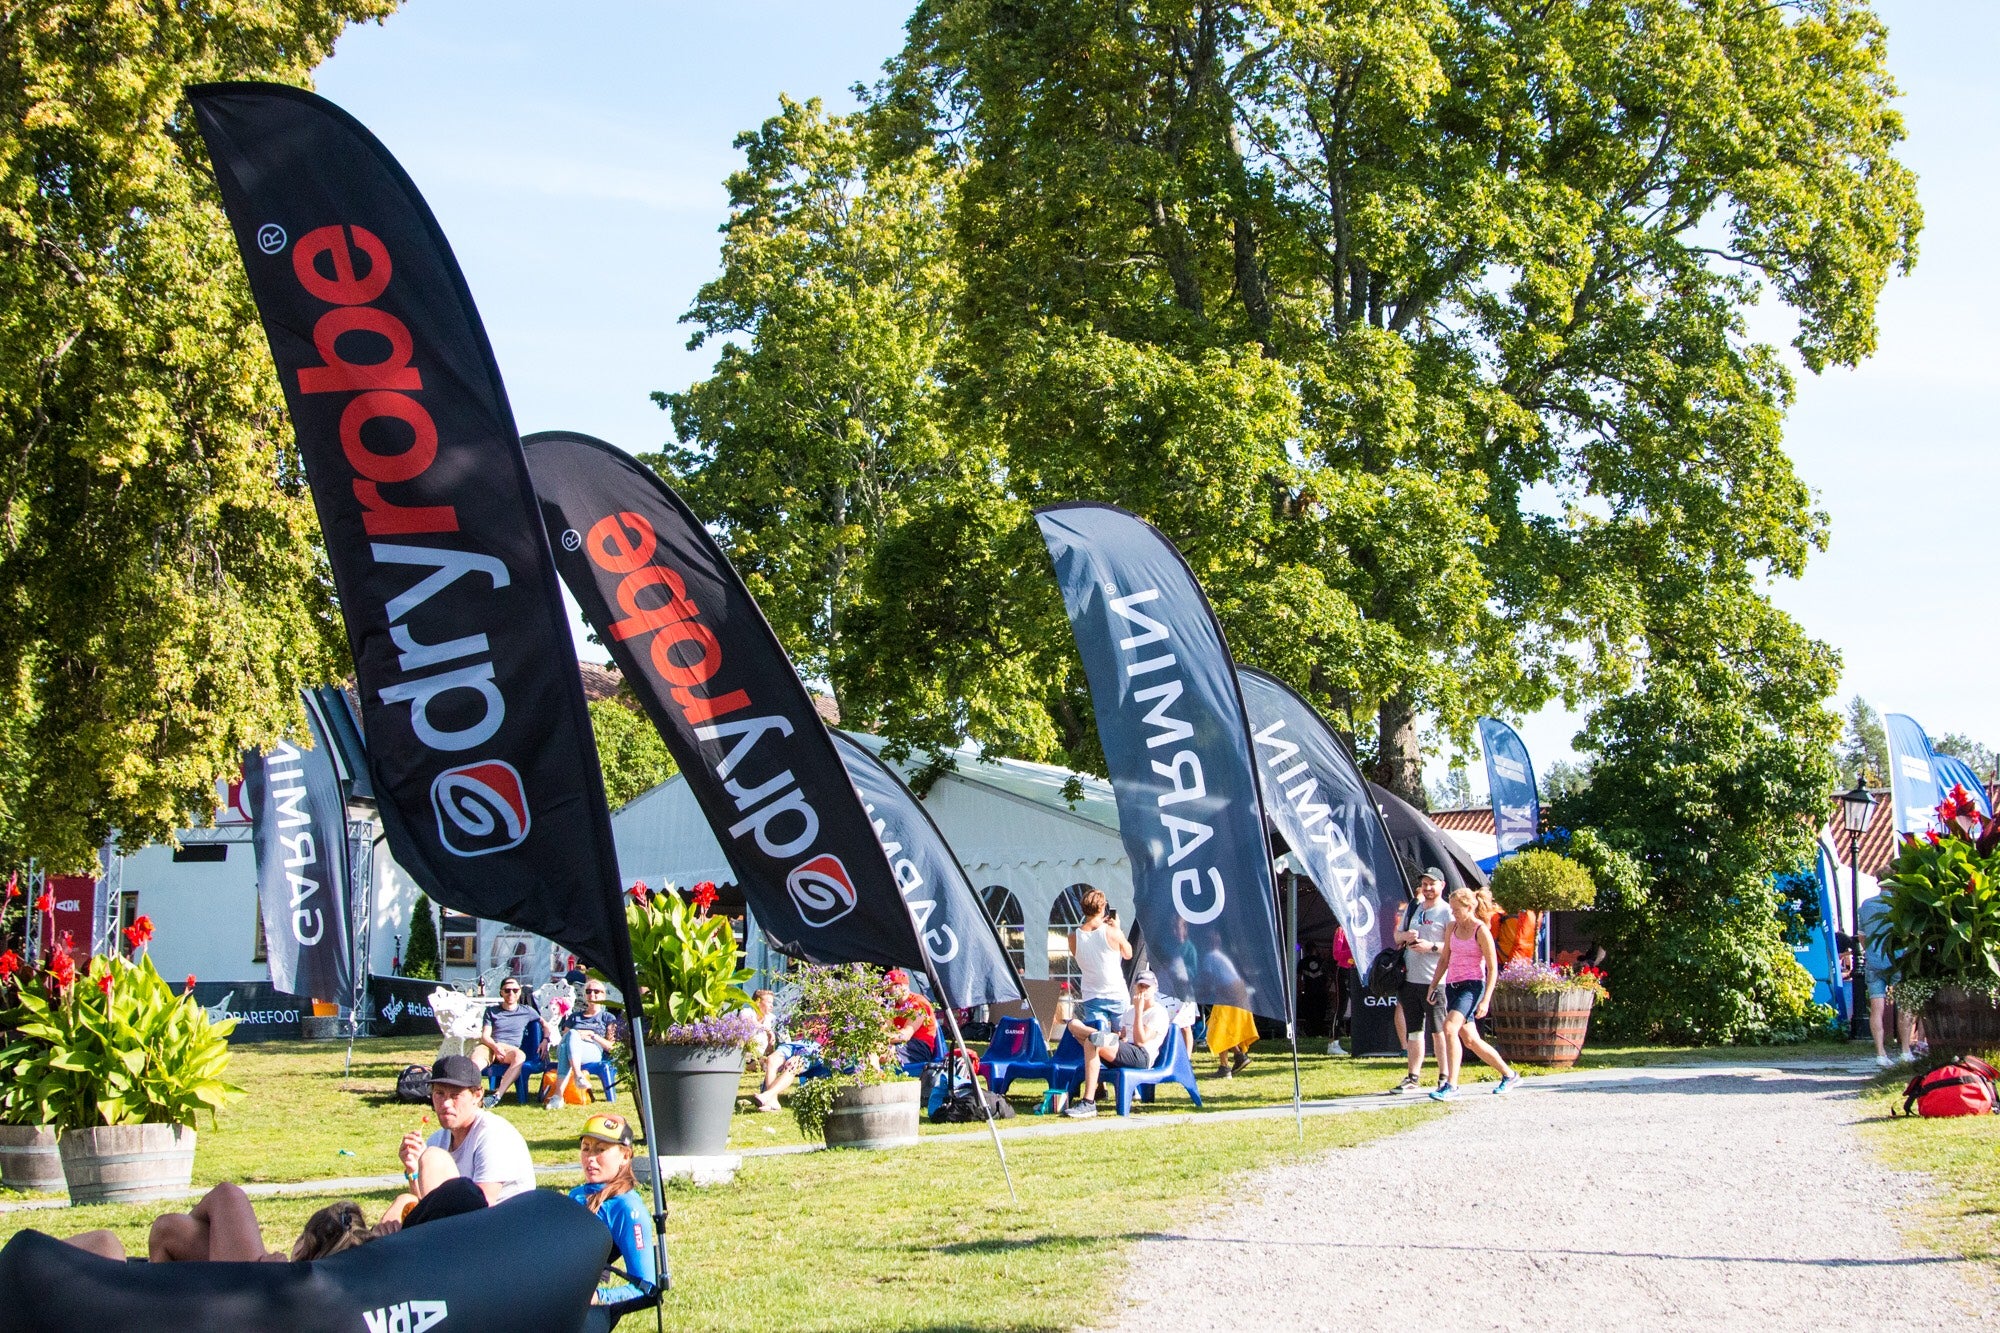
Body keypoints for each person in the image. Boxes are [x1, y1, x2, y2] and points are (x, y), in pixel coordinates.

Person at [390, 1054, 536, 1225]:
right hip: (459, 1230)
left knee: (432, 1158)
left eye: (455, 1095)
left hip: (505, 1230)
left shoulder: (494, 1135)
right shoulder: (438, 1139)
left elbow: (483, 1207)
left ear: (477, 1095)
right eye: (439, 1093)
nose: (445, 1103)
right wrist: (413, 1170)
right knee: (402, 1203)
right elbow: (426, 1207)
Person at [65, 1188, 384, 1263]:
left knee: (104, 1244)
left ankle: (153, 1297)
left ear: (304, 1246)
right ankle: (155, 1294)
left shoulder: (271, 1283)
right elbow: (168, 1231)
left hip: (251, 1305)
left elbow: (226, 1196)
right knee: (173, 1229)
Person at [1427, 887, 1520, 1100]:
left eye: (1457, 910)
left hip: (1472, 985)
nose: (1454, 914)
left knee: (1449, 1028)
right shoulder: (1451, 928)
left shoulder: (1481, 930)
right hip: (1452, 985)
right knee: (1470, 1040)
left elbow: (1492, 967)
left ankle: (1451, 1084)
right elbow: (1444, 959)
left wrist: (1486, 999)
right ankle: (1509, 1074)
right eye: (1452, 910)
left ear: (1470, 907)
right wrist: (1433, 985)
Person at [566, 1113, 658, 1305]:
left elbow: (647, 1287)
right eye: (586, 1148)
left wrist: (599, 1298)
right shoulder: (575, 1195)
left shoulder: (627, 1208)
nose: (590, 1158)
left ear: (625, 1156)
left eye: (600, 1150)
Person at [1064, 970, 1170, 1118]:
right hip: (1126, 1050)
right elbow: (1124, 1036)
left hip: (1142, 1056)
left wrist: (1139, 1011)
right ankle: (1096, 1036)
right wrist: (1118, 1037)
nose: (1143, 990)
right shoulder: (1129, 1010)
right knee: (1074, 1025)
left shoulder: (1158, 1013)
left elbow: (1140, 1040)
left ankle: (1088, 1102)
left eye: (1147, 987)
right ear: (1134, 987)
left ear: (1155, 989)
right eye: (1140, 986)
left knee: (1092, 1041)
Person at [1391, 869, 1453, 1094]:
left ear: (1442, 886)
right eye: (1424, 884)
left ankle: (1444, 1076)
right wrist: (1406, 937)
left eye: (1432, 884)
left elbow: (1454, 946)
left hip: (1435, 981)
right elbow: (1397, 936)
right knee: (1414, 1030)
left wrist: (1432, 947)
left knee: (1439, 1031)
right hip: (1410, 978)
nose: (1427, 888)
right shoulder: (1414, 908)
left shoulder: (1448, 913)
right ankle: (1412, 1076)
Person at [1857, 891, 1917, 1067]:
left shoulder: (1866, 905)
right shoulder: (1900, 903)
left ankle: (1880, 1054)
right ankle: (1905, 1051)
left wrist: (1870, 952)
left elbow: (1862, 936)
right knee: (1904, 1005)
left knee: (1877, 1009)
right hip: (1898, 959)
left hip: (1874, 961)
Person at [547, 976, 621, 1107]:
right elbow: (565, 1038)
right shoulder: (575, 1017)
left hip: (593, 1051)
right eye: (588, 991)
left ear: (603, 995)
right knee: (571, 1037)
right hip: (570, 1049)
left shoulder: (607, 1017)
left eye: (596, 991)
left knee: (569, 1042)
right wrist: (576, 1035)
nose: (592, 994)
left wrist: (592, 1035)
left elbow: (611, 1047)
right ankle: (578, 1076)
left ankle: (558, 1096)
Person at [1068, 888, 1132, 1037]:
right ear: (1102, 907)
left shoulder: (1073, 937)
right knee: (1124, 1037)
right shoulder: (1112, 932)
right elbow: (1128, 954)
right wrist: (1117, 929)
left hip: (1092, 994)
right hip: (1116, 992)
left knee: (1098, 1040)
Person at [477, 978, 540, 1107]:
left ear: (519, 992)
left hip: (510, 1050)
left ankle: (496, 1096)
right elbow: (485, 1036)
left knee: (520, 1056)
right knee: (475, 1061)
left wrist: (545, 1040)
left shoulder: (527, 1011)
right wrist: (495, 1048)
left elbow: (545, 1025)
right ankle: (470, 1095)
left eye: (515, 990)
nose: (511, 993)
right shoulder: (491, 1011)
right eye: (507, 990)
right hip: (491, 1045)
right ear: (501, 992)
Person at [750, 988, 804, 1111]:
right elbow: (748, 1024)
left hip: (763, 1057)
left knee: (772, 1060)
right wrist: (768, 1030)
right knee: (767, 1061)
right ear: (757, 1002)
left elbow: (785, 1040)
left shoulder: (773, 1018)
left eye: (772, 1003)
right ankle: (770, 1098)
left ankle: (769, 1099)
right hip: (746, 1057)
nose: (771, 1005)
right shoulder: (748, 1012)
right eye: (768, 1002)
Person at [884, 969, 938, 1066]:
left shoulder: (919, 1003)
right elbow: (887, 1029)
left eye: (889, 987)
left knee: (882, 1053)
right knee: (875, 1049)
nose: (886, 992)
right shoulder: (893, 1005)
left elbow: (905, 1035)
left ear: (901, 986)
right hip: (899, 1043)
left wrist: (882, 1038)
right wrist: (889, 1015)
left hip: (919, 1047)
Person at [1207, 1004, 1257, 1077]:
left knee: (1220, 1029)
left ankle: (1224, 1067)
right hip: (1237, 1000)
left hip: (1226, 1000)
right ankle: (1239, 1057)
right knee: (1225, 1029)